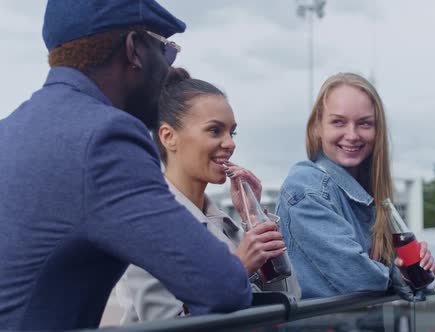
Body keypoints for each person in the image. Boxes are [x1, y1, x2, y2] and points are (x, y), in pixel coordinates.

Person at [0, 1, 251, 330]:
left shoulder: (10, 129)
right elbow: (223, 286)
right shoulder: (107, 138)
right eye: (167, 53)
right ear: (134, 50)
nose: (168, 72)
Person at [115, 68, 301, 322]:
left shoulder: (230, 226)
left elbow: (289, 299)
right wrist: (238, 269)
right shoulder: (146, 223)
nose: (230, 143)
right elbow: (166, 323)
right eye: (215, 131)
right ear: (169, 137)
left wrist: (255, 216)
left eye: (231, 132)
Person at [276, 72, 435, 299]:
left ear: (377, 131)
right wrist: (402, 275)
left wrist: (416, 270)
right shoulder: (306, 188)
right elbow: (358, 279)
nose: (352, 135)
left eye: (364, 123)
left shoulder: (371, 197)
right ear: (317, 127)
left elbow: (416, 289)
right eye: (338, 122)